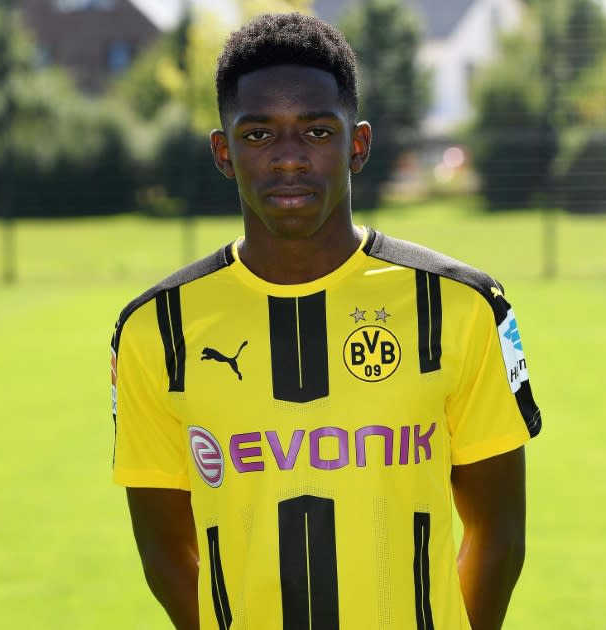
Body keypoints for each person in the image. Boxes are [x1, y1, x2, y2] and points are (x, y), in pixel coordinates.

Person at [110, 12, 541, 630]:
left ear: (357, 145)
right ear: (223, 152)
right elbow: (165, 552)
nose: (288, 158)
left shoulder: (462, 306)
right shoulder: (158, 330)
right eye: (258, 135)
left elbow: (499, 530)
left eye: (316, 131)